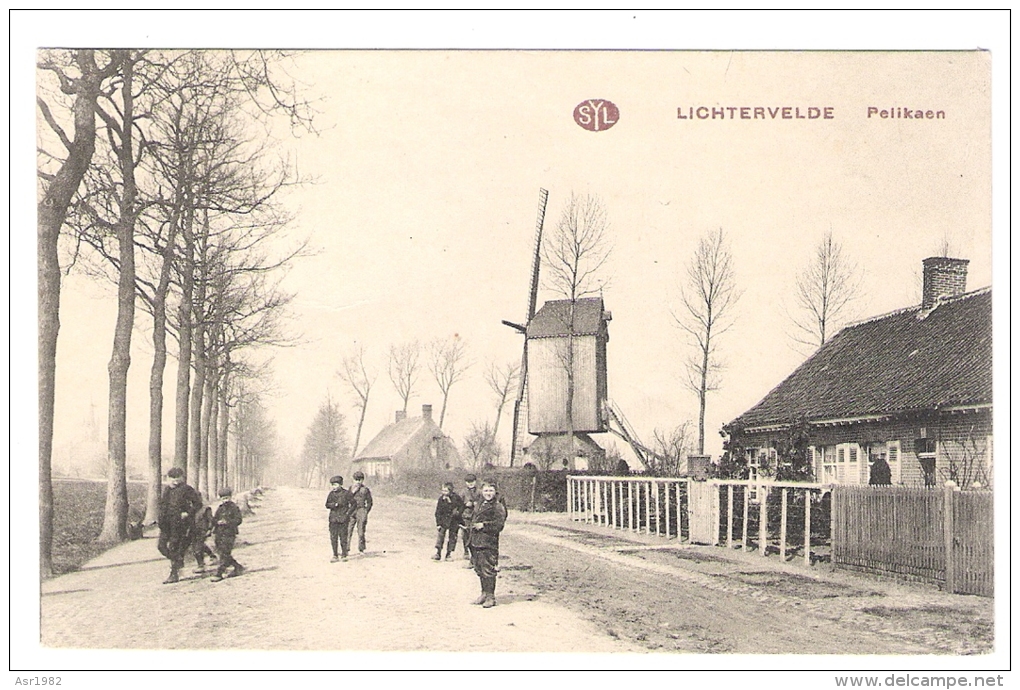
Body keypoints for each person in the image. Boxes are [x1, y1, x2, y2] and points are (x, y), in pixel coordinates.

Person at [157, 467, 202, 584]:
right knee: (161, 546)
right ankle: (178, 560)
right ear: (168, 478)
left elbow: (198, 504)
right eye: (172, 479)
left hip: (179, 523)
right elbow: (162, 505)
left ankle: (174, 573)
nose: (175, 482)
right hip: (166, 523)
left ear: (182, 478)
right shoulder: (166, 490)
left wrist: (188, 513)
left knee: (174, 546)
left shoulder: (187, 489)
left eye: (178, 479)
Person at [467, 480, 507, 608]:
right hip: (476, 541)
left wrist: (484, 525)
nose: (488, 493)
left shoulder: (497, 506)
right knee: (479, 568)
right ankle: (484, 593)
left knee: (488, 569)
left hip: (488, 543)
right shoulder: (480, 504)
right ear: (481, 491)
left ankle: (491, 596)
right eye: (485, 491)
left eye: (490, 491)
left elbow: (499, 525)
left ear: (495, 492)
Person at [211, 487, 245, 582]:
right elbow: (214, 519)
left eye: (227, 498)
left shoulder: (234, 507)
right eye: (223, 498)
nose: (225, 500)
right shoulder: (220, 508)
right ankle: (238, 567)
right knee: (222, 552)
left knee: (225, 553)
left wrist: (227, 522)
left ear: (230, 497)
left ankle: (219, 573)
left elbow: (238, 520)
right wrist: (217, 522)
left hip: (230, 533)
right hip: (219, 533)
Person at [433, 482, 465, 561]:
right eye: (443, 491)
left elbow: (462, 506)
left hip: (454, 521)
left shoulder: (456, 497)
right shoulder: (441, 499)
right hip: (444, 521)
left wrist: (458, 512)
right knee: (440, 536)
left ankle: (448, 554)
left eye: (446, 491)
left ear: (450, 491)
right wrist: (438, 523)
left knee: (452, 537)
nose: (444, 493)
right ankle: (438, 553)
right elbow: (438, 512)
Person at [325, 475, 354, 562]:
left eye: (336, 485)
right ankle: (335, 555)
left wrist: (348, 514)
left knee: (343, 537)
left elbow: (353, 504)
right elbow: (327, 505)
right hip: (333, 519)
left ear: (340, 484)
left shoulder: (347, 493)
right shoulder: (331, 494)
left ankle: (344, 554)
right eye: (332, 485)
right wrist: (334, 505)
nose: (334, 487)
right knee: (333, 537)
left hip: (343, 519)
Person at [347, 471, 373, 555]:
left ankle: (361, 549)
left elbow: (369, 502)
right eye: (356, 480)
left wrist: (365, 511)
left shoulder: (365, 489)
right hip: (352, 511)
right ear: (353, 480)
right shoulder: (350, 488)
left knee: (361, 531)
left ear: (362, 480)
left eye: (360, 480)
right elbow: (346, 499)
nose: (358, 482)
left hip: (361, 510)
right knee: (348, 530)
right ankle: (346, 549)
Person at [459, 473, 482, 564]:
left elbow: (483, 502)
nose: (470, 484)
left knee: (474, 535)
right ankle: (466, 551)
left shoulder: (480, 492)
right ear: (465, 482)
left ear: (475, 481)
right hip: (466, 515)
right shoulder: (463, 492)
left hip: (476, 516)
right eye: (468, 482)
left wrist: (477, 504)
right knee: (465, 534)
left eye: (472, 481)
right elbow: (458, 504)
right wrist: (465, 504)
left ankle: (475, 554)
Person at [191, 504, 217, 574]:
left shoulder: (205, 509)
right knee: (199, 546)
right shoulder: (191, 509)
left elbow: (211, 520)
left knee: (198, 548)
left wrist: (209, 529)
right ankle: (212, 556)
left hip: (203, 531)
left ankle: (201, 565)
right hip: (194, 531)